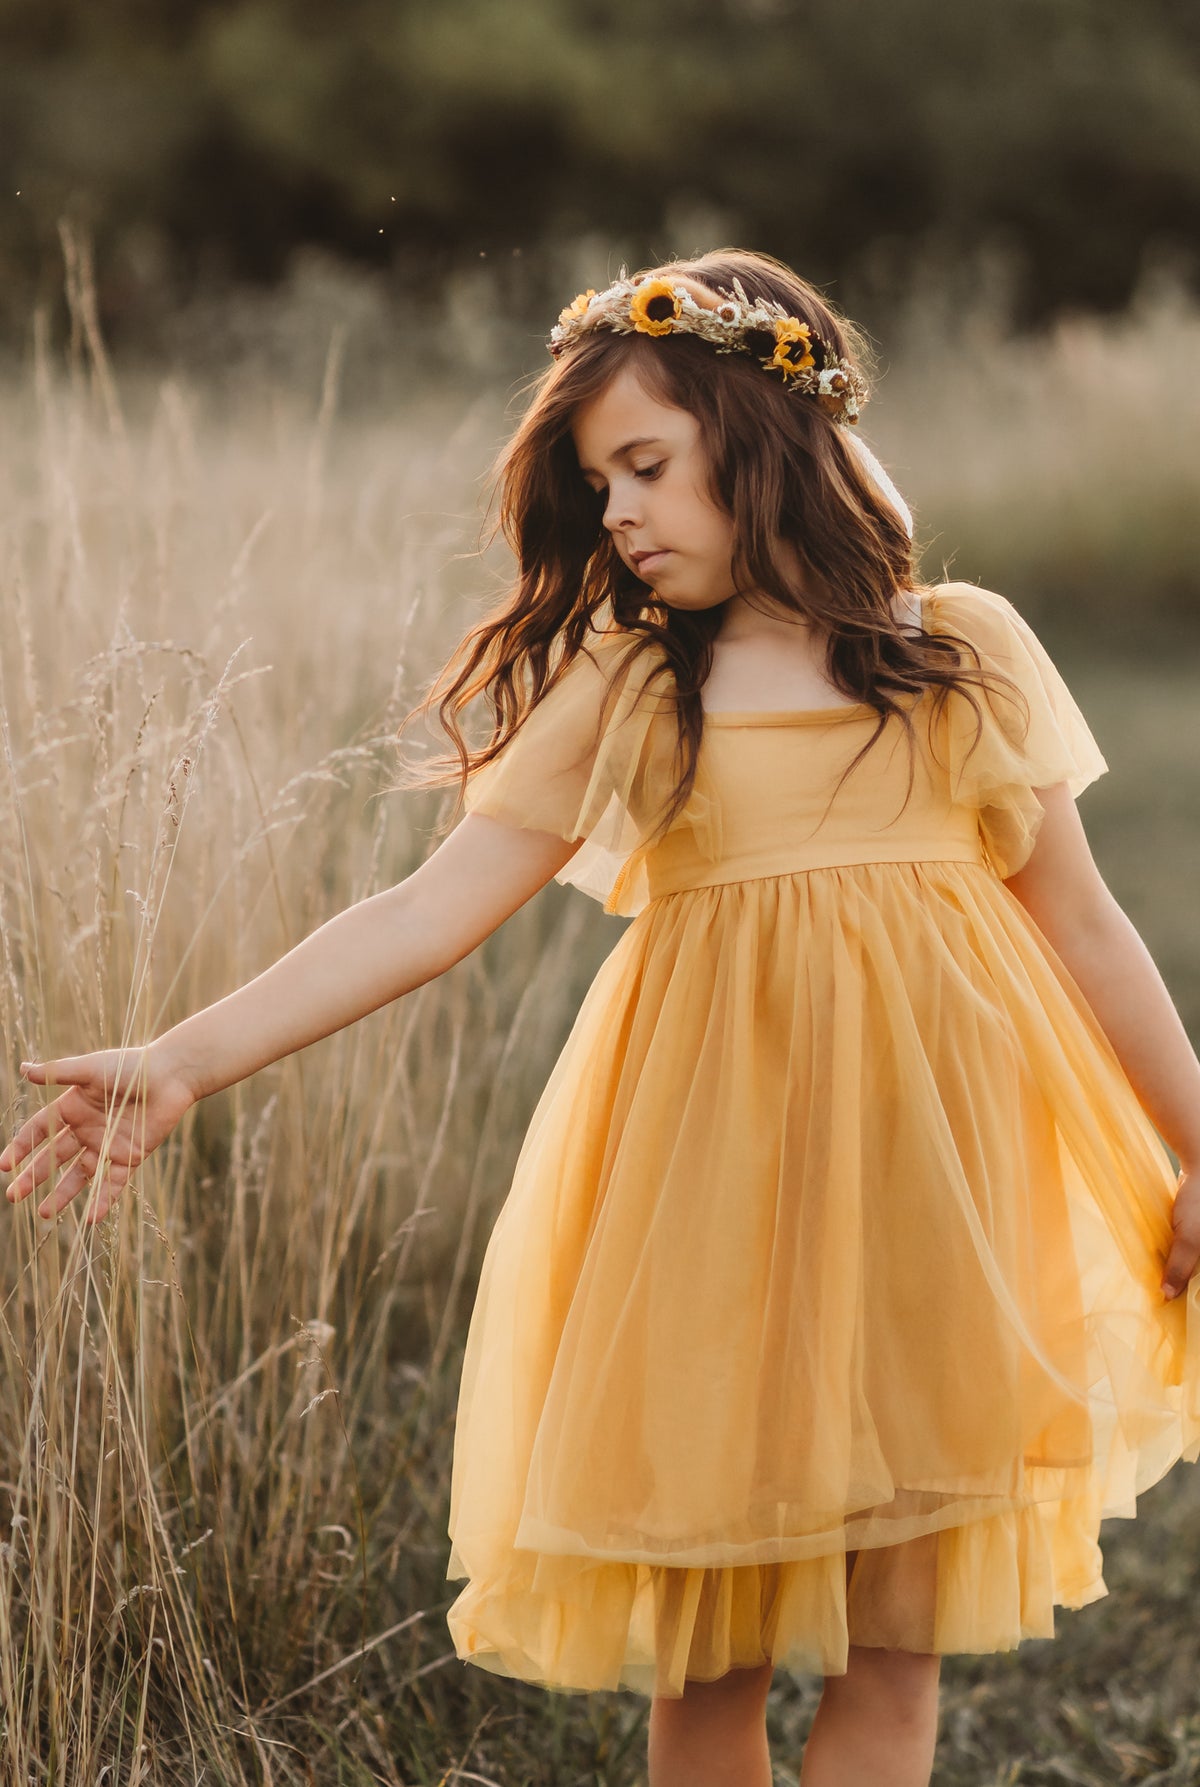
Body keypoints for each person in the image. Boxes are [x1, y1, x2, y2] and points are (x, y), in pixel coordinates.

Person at [2, 249, 1199, 1787]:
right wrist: (179, 1058)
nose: (619, 513)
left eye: (646, 466)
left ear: (763, 446)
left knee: (898, 1657)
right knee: (709, 1655)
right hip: (712, 1201)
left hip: (936, 1189)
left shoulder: (959, 656)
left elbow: (1086, 925)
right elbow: (425, 913)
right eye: (599, 483)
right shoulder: (641, 683)